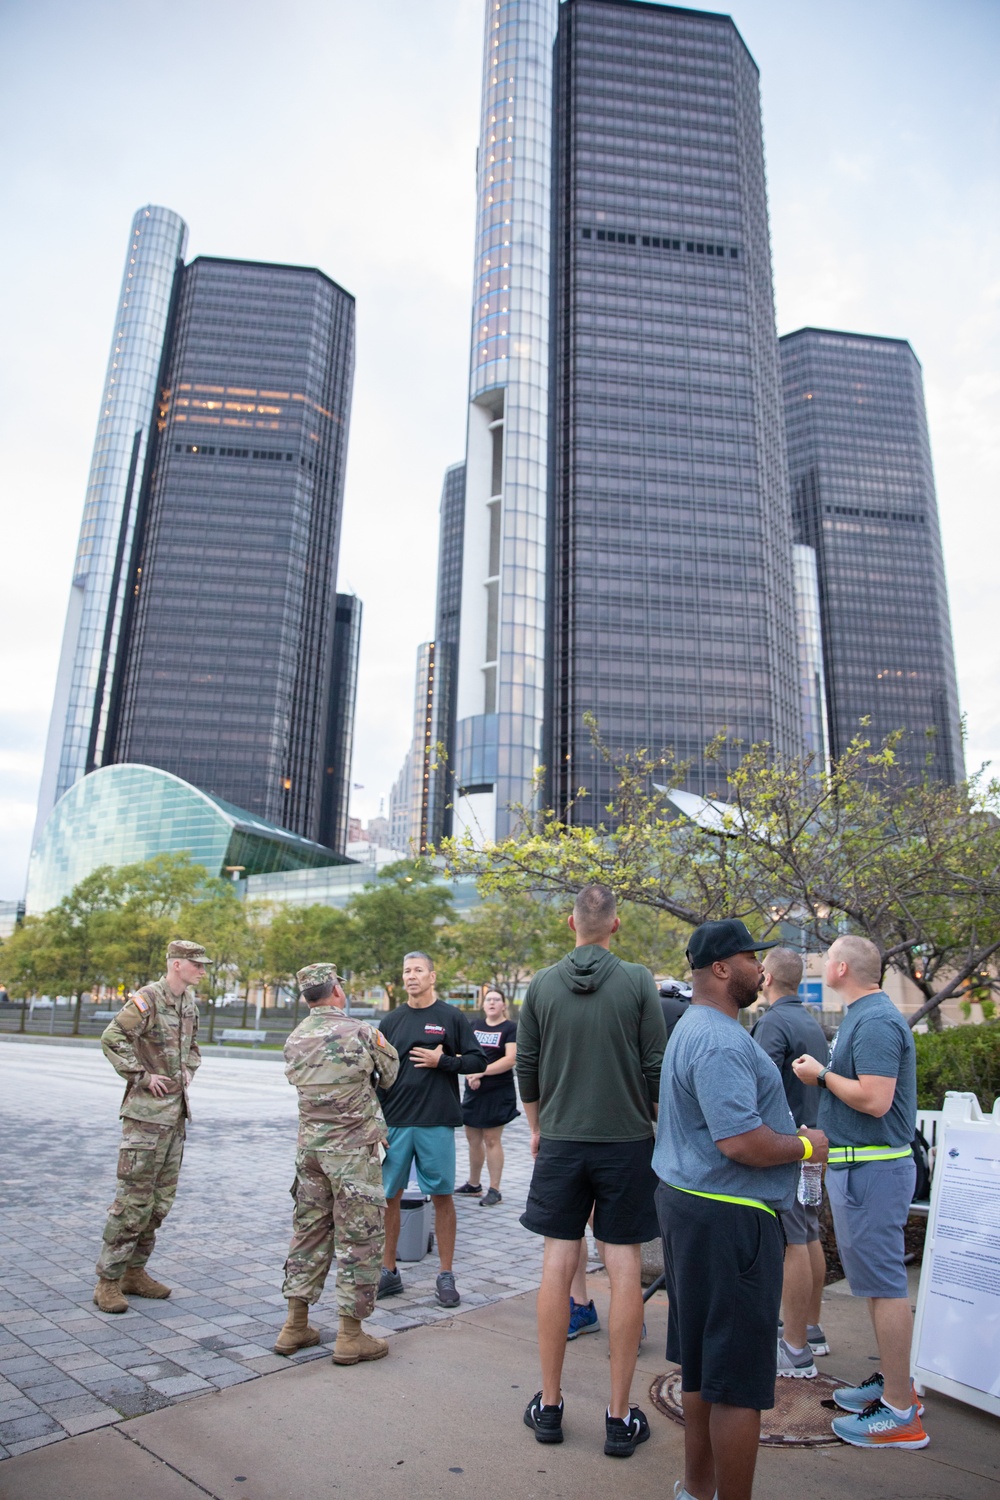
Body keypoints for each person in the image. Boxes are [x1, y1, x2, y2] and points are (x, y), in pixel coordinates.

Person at [653, 919, 828, 1500]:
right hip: (730, 1220)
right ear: (722, 968)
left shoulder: (694, 1027)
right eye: (752, 957)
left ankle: (696, 1489)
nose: (762, 967)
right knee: (738, 1385)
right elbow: (741, 1143)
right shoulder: (723, 1039)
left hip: (693, 1210)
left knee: (704, 1368)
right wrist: (806, 1145)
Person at [517, 884, 666, 1459]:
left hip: (560, 1140)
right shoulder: (636, 980)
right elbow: (655, 1062)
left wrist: (537, 1125)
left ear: (570, 923)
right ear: (616, 925)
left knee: (559, 1262)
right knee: (623, 1265)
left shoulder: (542, 983)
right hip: (627, 1142)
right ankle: (619, 1416)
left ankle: (550, 1406)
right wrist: (656, 1124)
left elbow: (525, 1065)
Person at [793, 934, 928, 1450]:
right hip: (860, 1171)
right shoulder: (866, 1016)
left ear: (842, 967)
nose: (824, 964)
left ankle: (900, 1412)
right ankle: (895, 1386)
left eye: (827, 958)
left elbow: (874, 1099)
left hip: (872, 1172)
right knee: (875, 1285)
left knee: (886, 1287)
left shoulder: (872, 1020)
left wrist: (821, 1075)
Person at [276, 962, 400, 1365]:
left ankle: (295, 1325)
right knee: (358, 1240)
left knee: (308, 1233)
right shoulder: (361, 1032)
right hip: (352, 1154)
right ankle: (350, 1336)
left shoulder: (294, 1038)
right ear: (336, 992)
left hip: (310, 1152)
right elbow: (390, 1073)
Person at [93, 939, 206, 1314]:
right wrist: (141, 1075)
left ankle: (134, 1272)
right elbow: (112, 1037)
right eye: (197, 965)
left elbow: (194, 1049)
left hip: (174, 1117)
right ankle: (108, 1281)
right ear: (177, 964)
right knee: (132, 1203)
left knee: (159, 1204)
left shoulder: (188, 1003)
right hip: (145, 1119)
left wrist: (188, 1070)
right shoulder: (148, 998)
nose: (202, 970)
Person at [375, 952, 487, 1308]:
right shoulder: (391, 1020)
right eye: (406, 970)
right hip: (395, 1122)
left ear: (432, 976)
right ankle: (388, 1271)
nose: (411, 976)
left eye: (418, 970)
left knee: (441, 1196)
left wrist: (444, 1062)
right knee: (389, 1197)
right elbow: (376, 1074)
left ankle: (445, 1274)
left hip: (436, 1121)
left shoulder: (450, 1017)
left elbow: (477, 1060)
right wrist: (375, 1121)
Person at [751, 948, 831, 1376]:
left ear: (765, 977)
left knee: (793, 1243)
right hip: (814, 1143)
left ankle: (795, 1348)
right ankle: (811, 1328)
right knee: (810, 1233)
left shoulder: (774, 1022)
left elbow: (756, 1084)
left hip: (791, 1147)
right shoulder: (809, 1021)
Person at [455, 986, 519, 1207]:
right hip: (474, 1090)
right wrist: (469, 1072)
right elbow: (464, 1053)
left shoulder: (510, 1028)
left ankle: (495, 1189)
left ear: (503, 1005)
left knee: (492, 1140)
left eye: (496, 1000)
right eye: (488, 999)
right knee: (473, 1139)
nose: (492, 1003)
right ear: (483, 1004)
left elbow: (511, 1059)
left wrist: (481, 1071)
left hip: (497, 1091)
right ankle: (474, 1184)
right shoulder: (474, 1026)